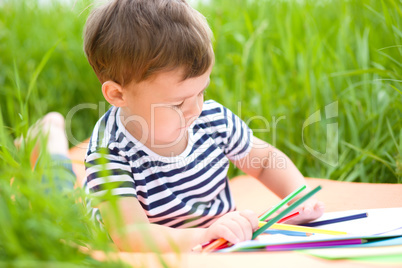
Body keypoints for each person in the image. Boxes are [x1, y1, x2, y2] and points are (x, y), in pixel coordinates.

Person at [82, 0, 325, 252]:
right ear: (118, 95)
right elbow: (131, 234)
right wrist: (204, 236)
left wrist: (298, 196)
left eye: (202, 92)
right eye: (177, 104)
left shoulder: (211, 119)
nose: (195, 109)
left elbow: (264, 162)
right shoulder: (109, 152)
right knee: (59, 191)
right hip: (157, 243)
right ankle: (49, 139)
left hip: (209, 235)